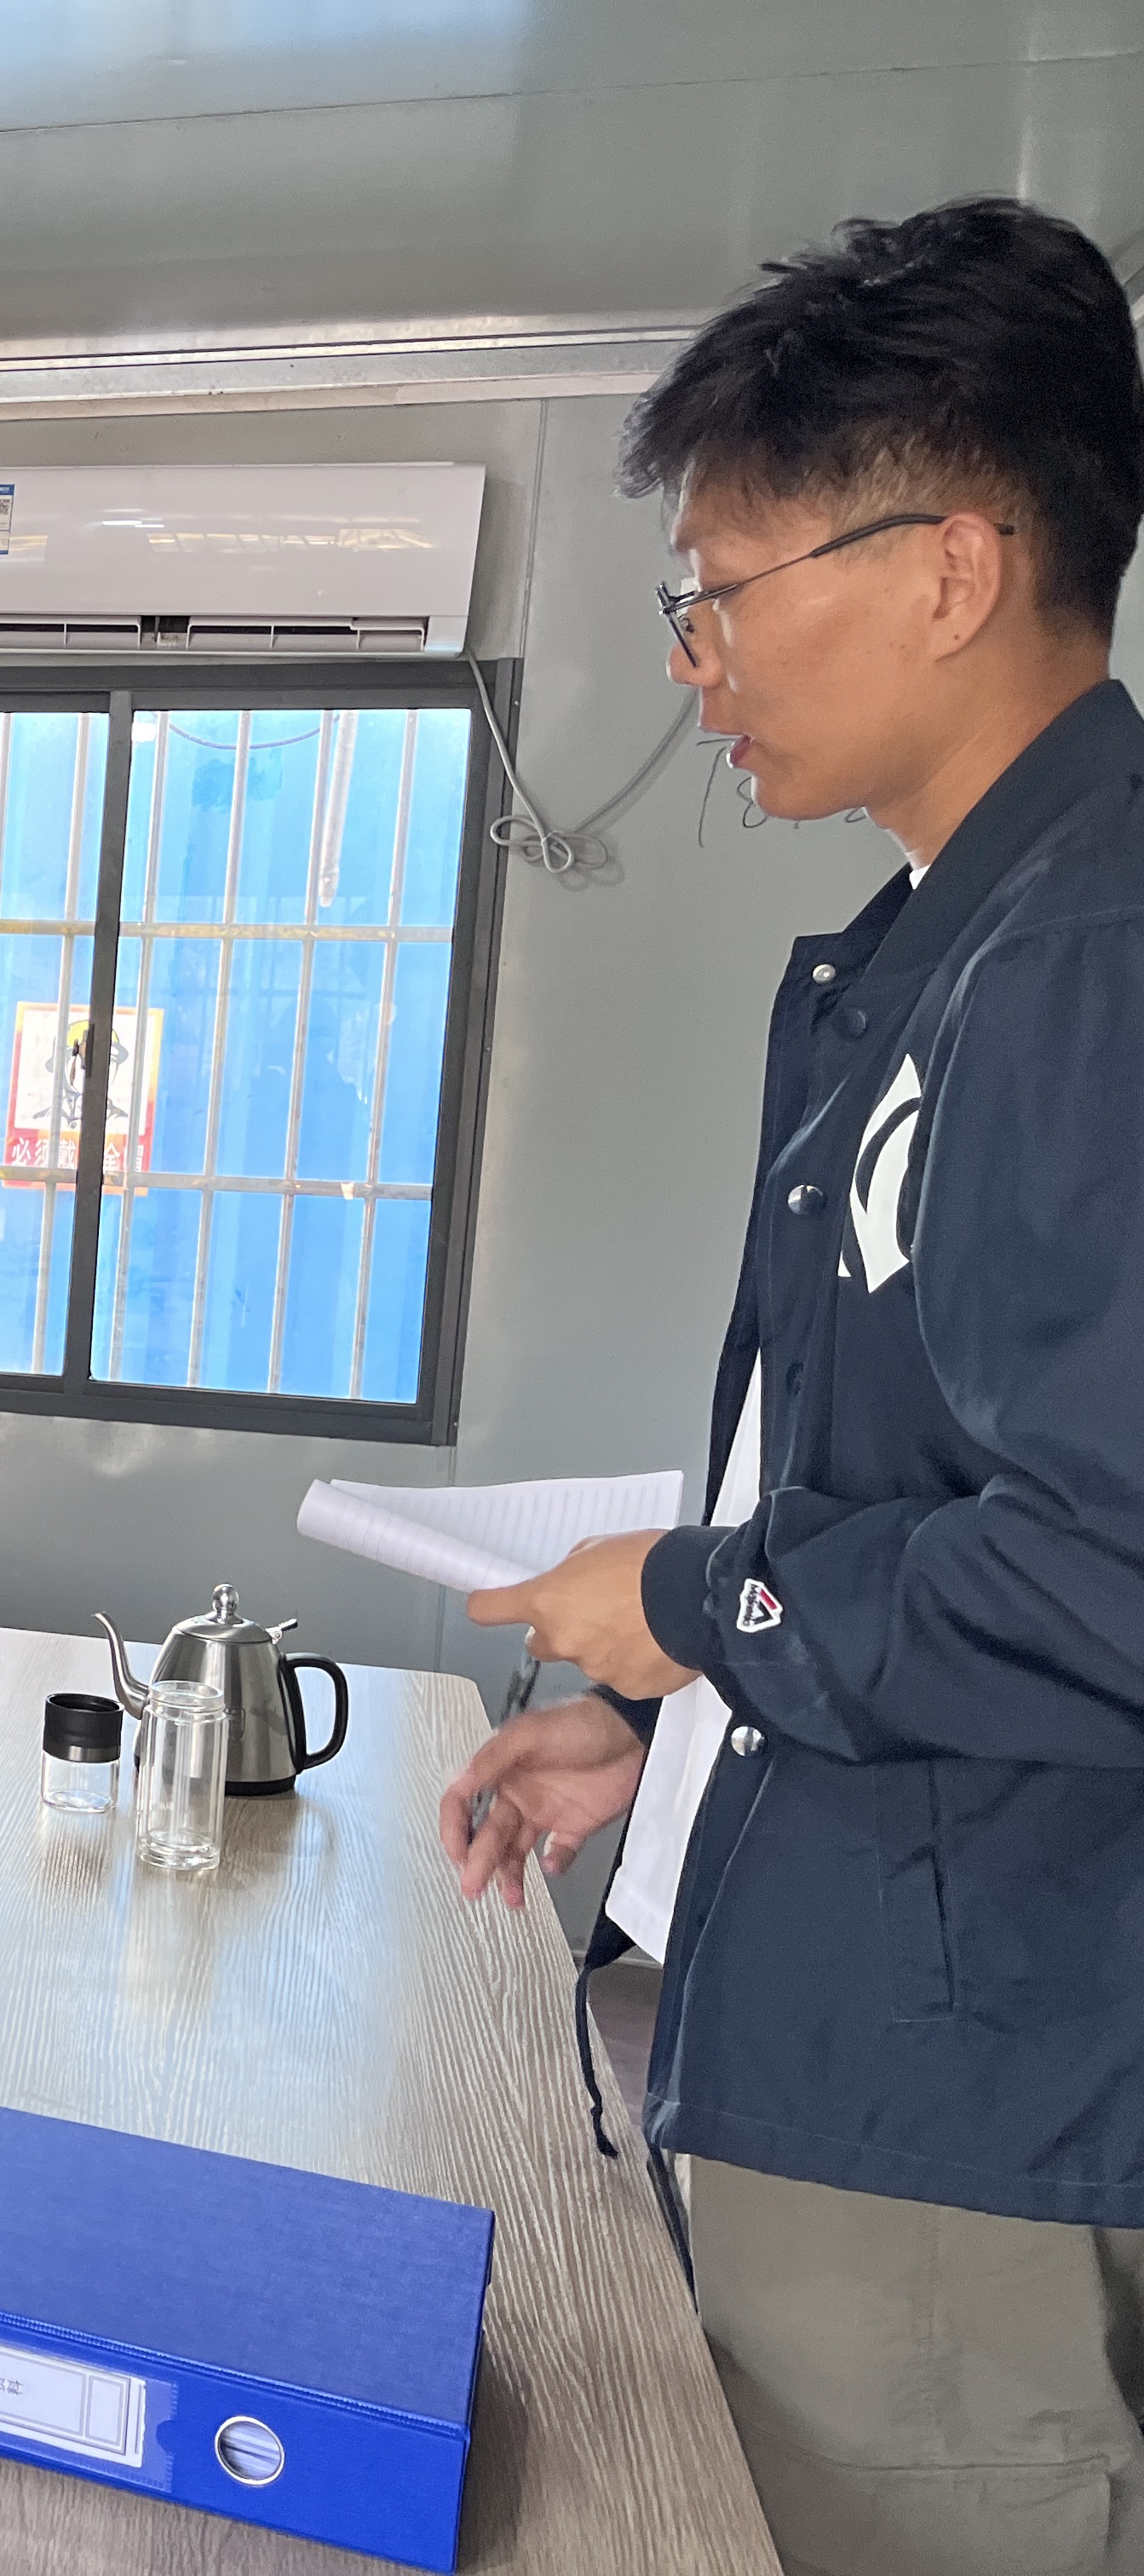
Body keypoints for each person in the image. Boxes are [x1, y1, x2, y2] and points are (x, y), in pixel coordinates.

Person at [434, 198, 1144, 2576]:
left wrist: (694, 1606)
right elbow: (926, 1501)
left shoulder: (1094, 963)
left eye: (725, 593)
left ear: (951, 568)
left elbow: (1110, 1580)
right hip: (876, 2027)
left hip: (978, 2094)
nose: (698, 664)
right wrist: (679, 1731)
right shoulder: (947, 955)